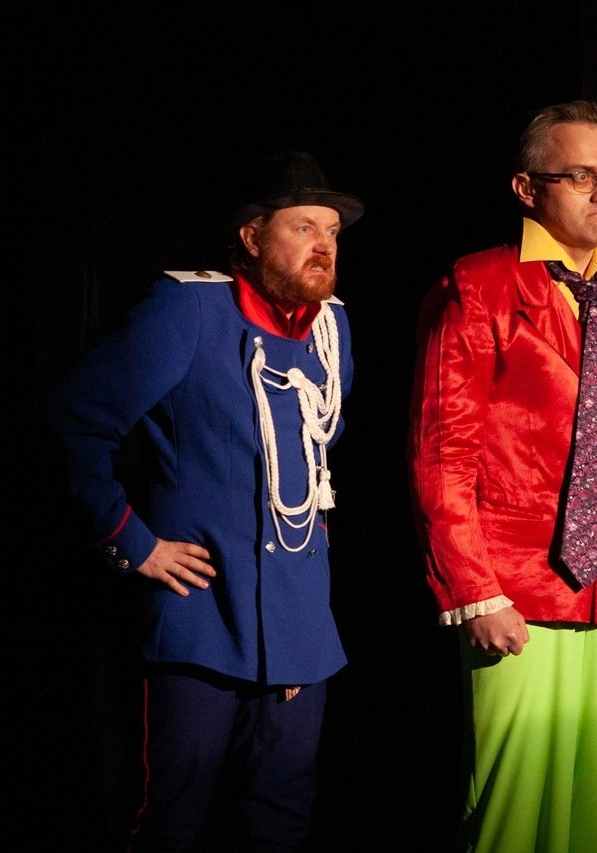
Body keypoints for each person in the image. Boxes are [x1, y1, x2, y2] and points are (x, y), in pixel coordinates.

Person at [46, 151, 362, 852]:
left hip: (299, 630)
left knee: (281, 824)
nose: (324, 244)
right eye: (304, 226)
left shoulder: (333, 328)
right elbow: (76, 422)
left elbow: (311, 460)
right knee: (169, 821)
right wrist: (133, 542)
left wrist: (295, 617)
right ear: (251, 237)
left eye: (333, 231)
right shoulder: (188, 309)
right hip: (200, 624)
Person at [409, 101, 597, 853]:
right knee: (512, 819)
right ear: (527, 187)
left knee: (592, 821)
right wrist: (474, 589)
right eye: (580, 176)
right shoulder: (479, 285)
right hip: (517, 590)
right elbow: (443, 455)